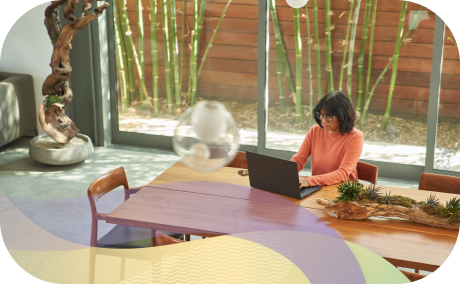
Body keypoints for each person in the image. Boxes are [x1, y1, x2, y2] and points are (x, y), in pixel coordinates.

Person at [291, 91, 363, 187]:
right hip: (317, 187)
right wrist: (286, 174)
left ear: (343, 116)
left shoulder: (355, 137)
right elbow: (299, 159)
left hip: (343, 190)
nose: (323, 120)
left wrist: (309, 181)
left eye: (329, 116)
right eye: (321, 115)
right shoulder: (315, 130)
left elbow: (343, 173)